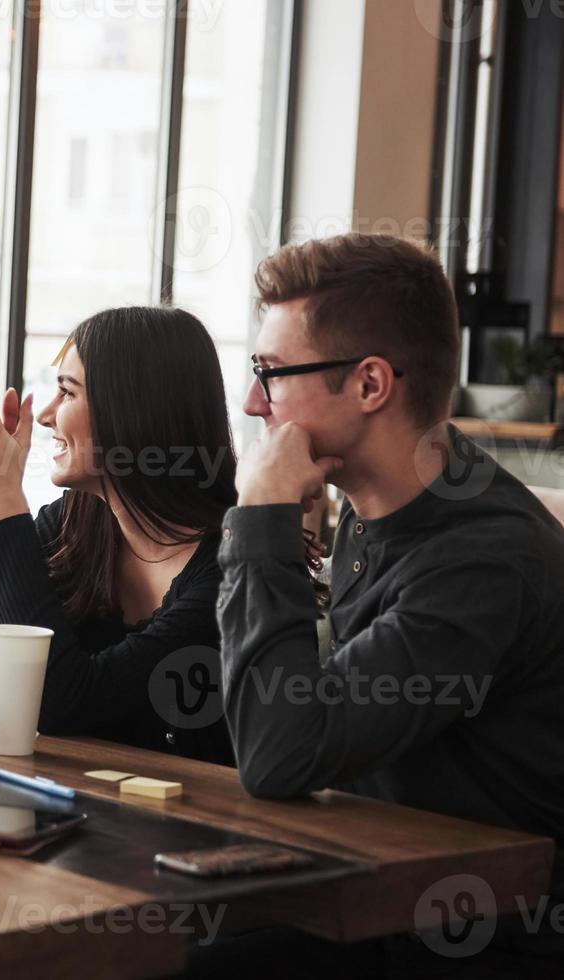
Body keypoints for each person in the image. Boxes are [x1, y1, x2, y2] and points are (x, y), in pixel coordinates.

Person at [215, 233, 564, 970]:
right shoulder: (371, 515)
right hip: (375, 894)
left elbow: (281, 753)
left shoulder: (485, 560)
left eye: (271, 374)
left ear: (371, 385)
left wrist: (261, 520)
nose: (252, 402)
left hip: (480, 935)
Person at [0, 307, 239, 764]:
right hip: (76, 808)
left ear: (132, 409)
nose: (45, 415)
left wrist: (3, 499)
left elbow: (67, 702)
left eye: (66, 392)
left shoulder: (232, 571)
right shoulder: (75, 523)